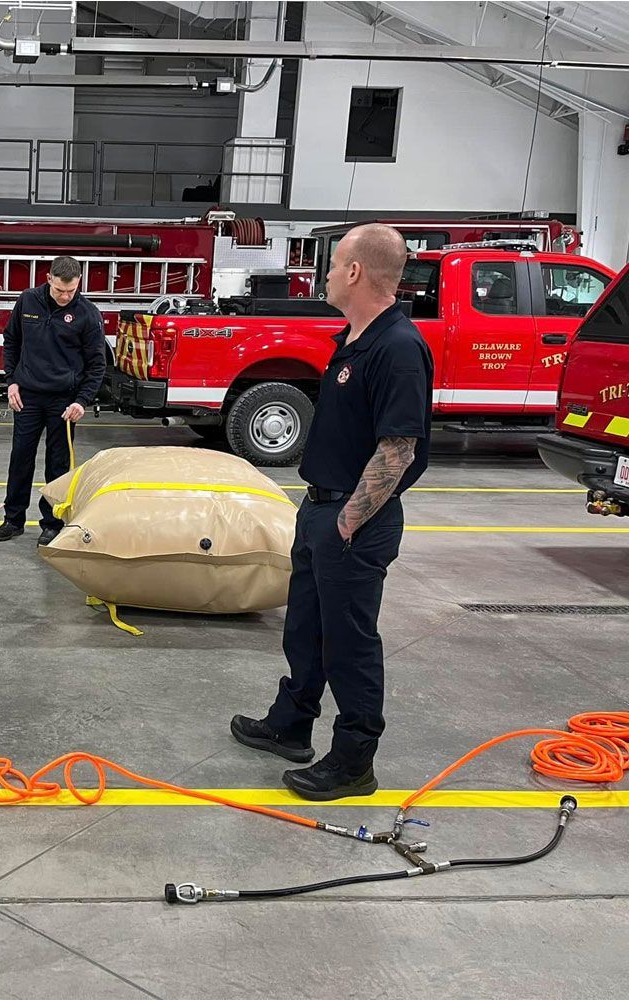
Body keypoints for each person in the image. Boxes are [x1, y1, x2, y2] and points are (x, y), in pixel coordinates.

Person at [231, 223, 433, 801]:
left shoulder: (397, 347)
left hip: (354, 520)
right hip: (322, 507)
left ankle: (353, 761)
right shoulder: (355, 338)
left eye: (333, 261)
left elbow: (399, 447)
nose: (324, 272)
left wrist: (347, 521)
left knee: (349, 643)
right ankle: (291, 724)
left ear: (355, 272)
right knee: (306, 628)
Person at [0, 256, 107, 546]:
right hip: (27, 396)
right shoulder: (28, 301)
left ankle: (52, 523)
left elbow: (97, 364)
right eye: (60, 291)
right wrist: (11, 381)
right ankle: (13, 520)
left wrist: (82, 400)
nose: (66, 297)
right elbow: (11, 341)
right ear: (49, 279)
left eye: (72, 291)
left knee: (57, 465)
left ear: (78, 283)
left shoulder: (88, 313)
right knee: (20, 459)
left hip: (64, 402)